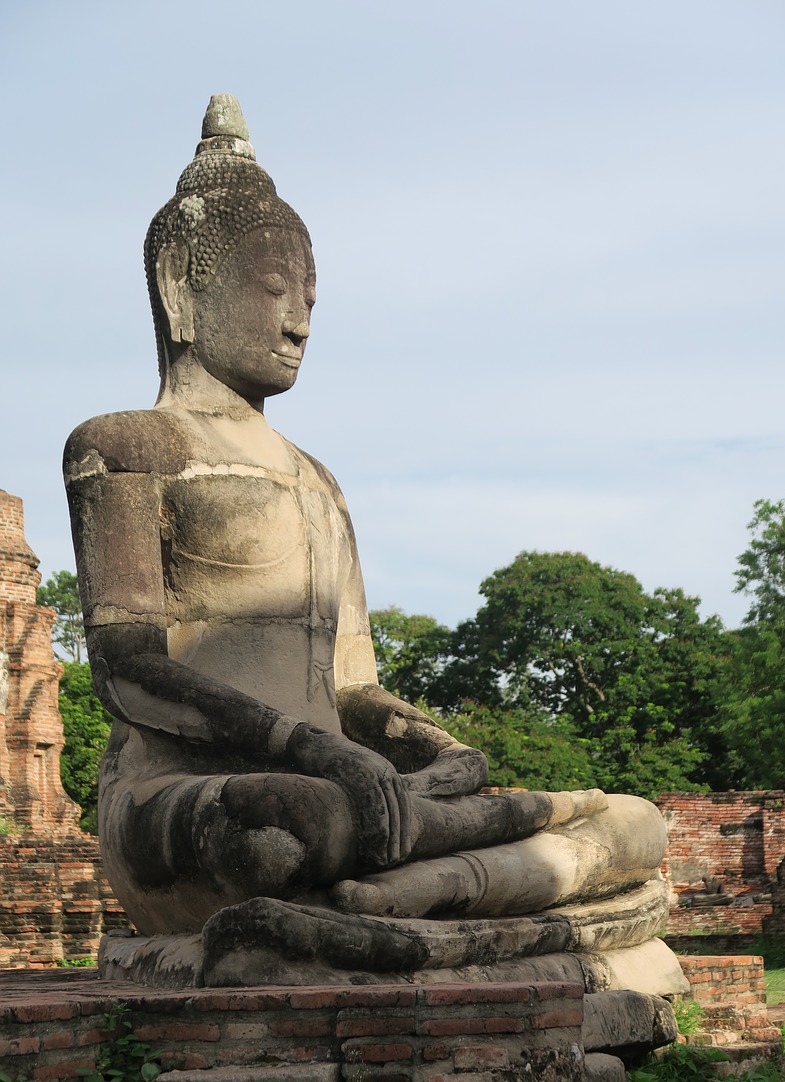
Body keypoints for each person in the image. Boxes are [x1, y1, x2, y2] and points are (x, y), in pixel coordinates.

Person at [64, 96, 664, 943]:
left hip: (360, 792)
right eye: (274, 290)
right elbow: (125, 669)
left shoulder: (319, 481)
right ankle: (455, 892)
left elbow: (350, 688)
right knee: (284, 824)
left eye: (310, 293)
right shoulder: (125, 447)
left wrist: (438, 747)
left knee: (636, 820)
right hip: (189, 797)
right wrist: (311, 749)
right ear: (179, 287)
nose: (299, 320)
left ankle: (402, 901)